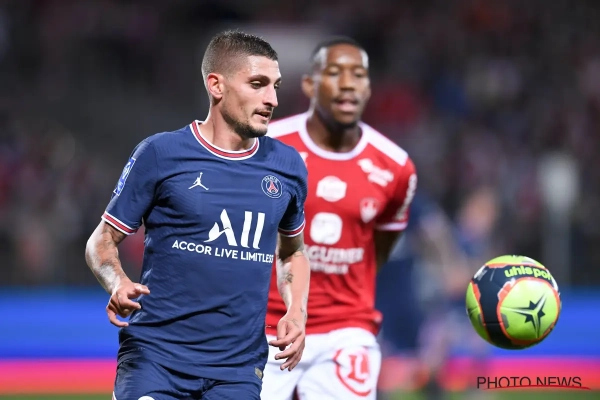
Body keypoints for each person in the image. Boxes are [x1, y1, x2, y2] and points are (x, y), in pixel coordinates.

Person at [85, 30, 311, 400]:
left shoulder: (287, 166)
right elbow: (102, 238)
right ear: (216, 85)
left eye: (276, 86)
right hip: (156, 359)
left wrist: (296, 313)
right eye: (257, 84)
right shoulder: (161, 154)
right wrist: (118, 282)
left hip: (237, 370)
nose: (272, 99)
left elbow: (292, 252)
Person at [261, 37, 418, 400]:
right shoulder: (267, 146)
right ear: (309, 84)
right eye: (334, 73)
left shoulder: (396, 167)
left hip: (346, 330)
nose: (348, 84)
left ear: (368, 87)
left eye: (358, 75)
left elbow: (378, 250)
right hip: (266, 324)